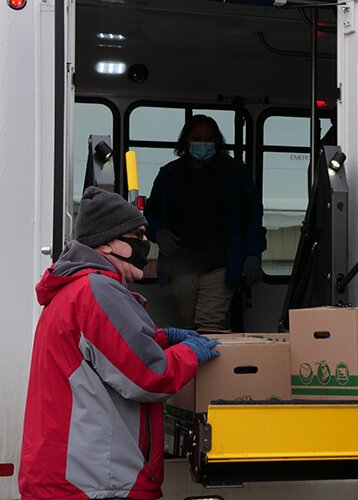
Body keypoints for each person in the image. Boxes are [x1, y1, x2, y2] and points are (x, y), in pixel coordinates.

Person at [19, 186, 221, 500]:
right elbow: (151, 376)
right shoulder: (96, 290)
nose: (145, 243)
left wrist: (161, 338)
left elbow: (107, 353)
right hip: (94, 483)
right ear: (107, 242)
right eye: (137, 235)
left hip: (71, 478)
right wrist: (190, 353)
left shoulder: (75, 289)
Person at [145, 114, 267, 330]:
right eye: (197, 137)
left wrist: (253, 254)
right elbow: (151, 213)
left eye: (208, 138)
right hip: (182, 263)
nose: (203, 143)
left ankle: (210, 359)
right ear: (186, 141)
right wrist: (159, 232)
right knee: (189, 323)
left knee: (210, 324)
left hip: (222, 263)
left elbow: (253, 216)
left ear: (217, 142)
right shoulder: (170, 175)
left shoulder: (235, 173)